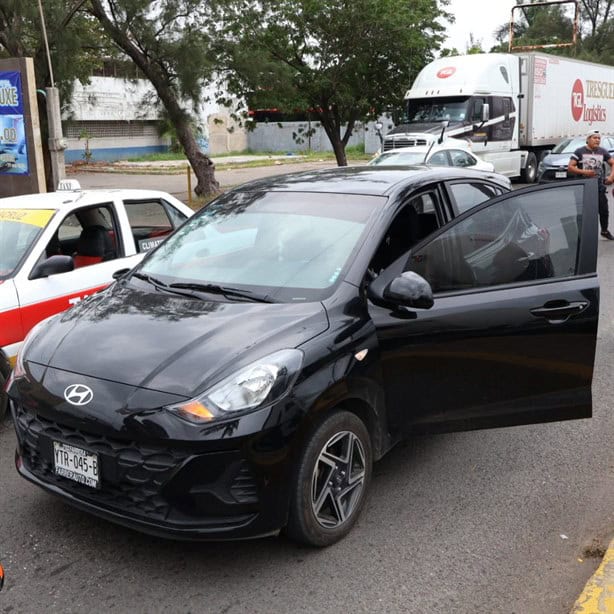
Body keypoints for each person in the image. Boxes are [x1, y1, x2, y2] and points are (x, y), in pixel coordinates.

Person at [568, 130, 614, 240]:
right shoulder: (579, 151)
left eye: (599, 138)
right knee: (582, 212)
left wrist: (611, 177)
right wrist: (585, 172)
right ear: (588, 139)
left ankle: (604, 230)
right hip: (583, 187)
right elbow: (570, 167)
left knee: (603, 210)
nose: (597, 140)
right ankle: (581, 234)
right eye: (594, 138)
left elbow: (613, 163)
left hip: (599, 186)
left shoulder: (602, 151)